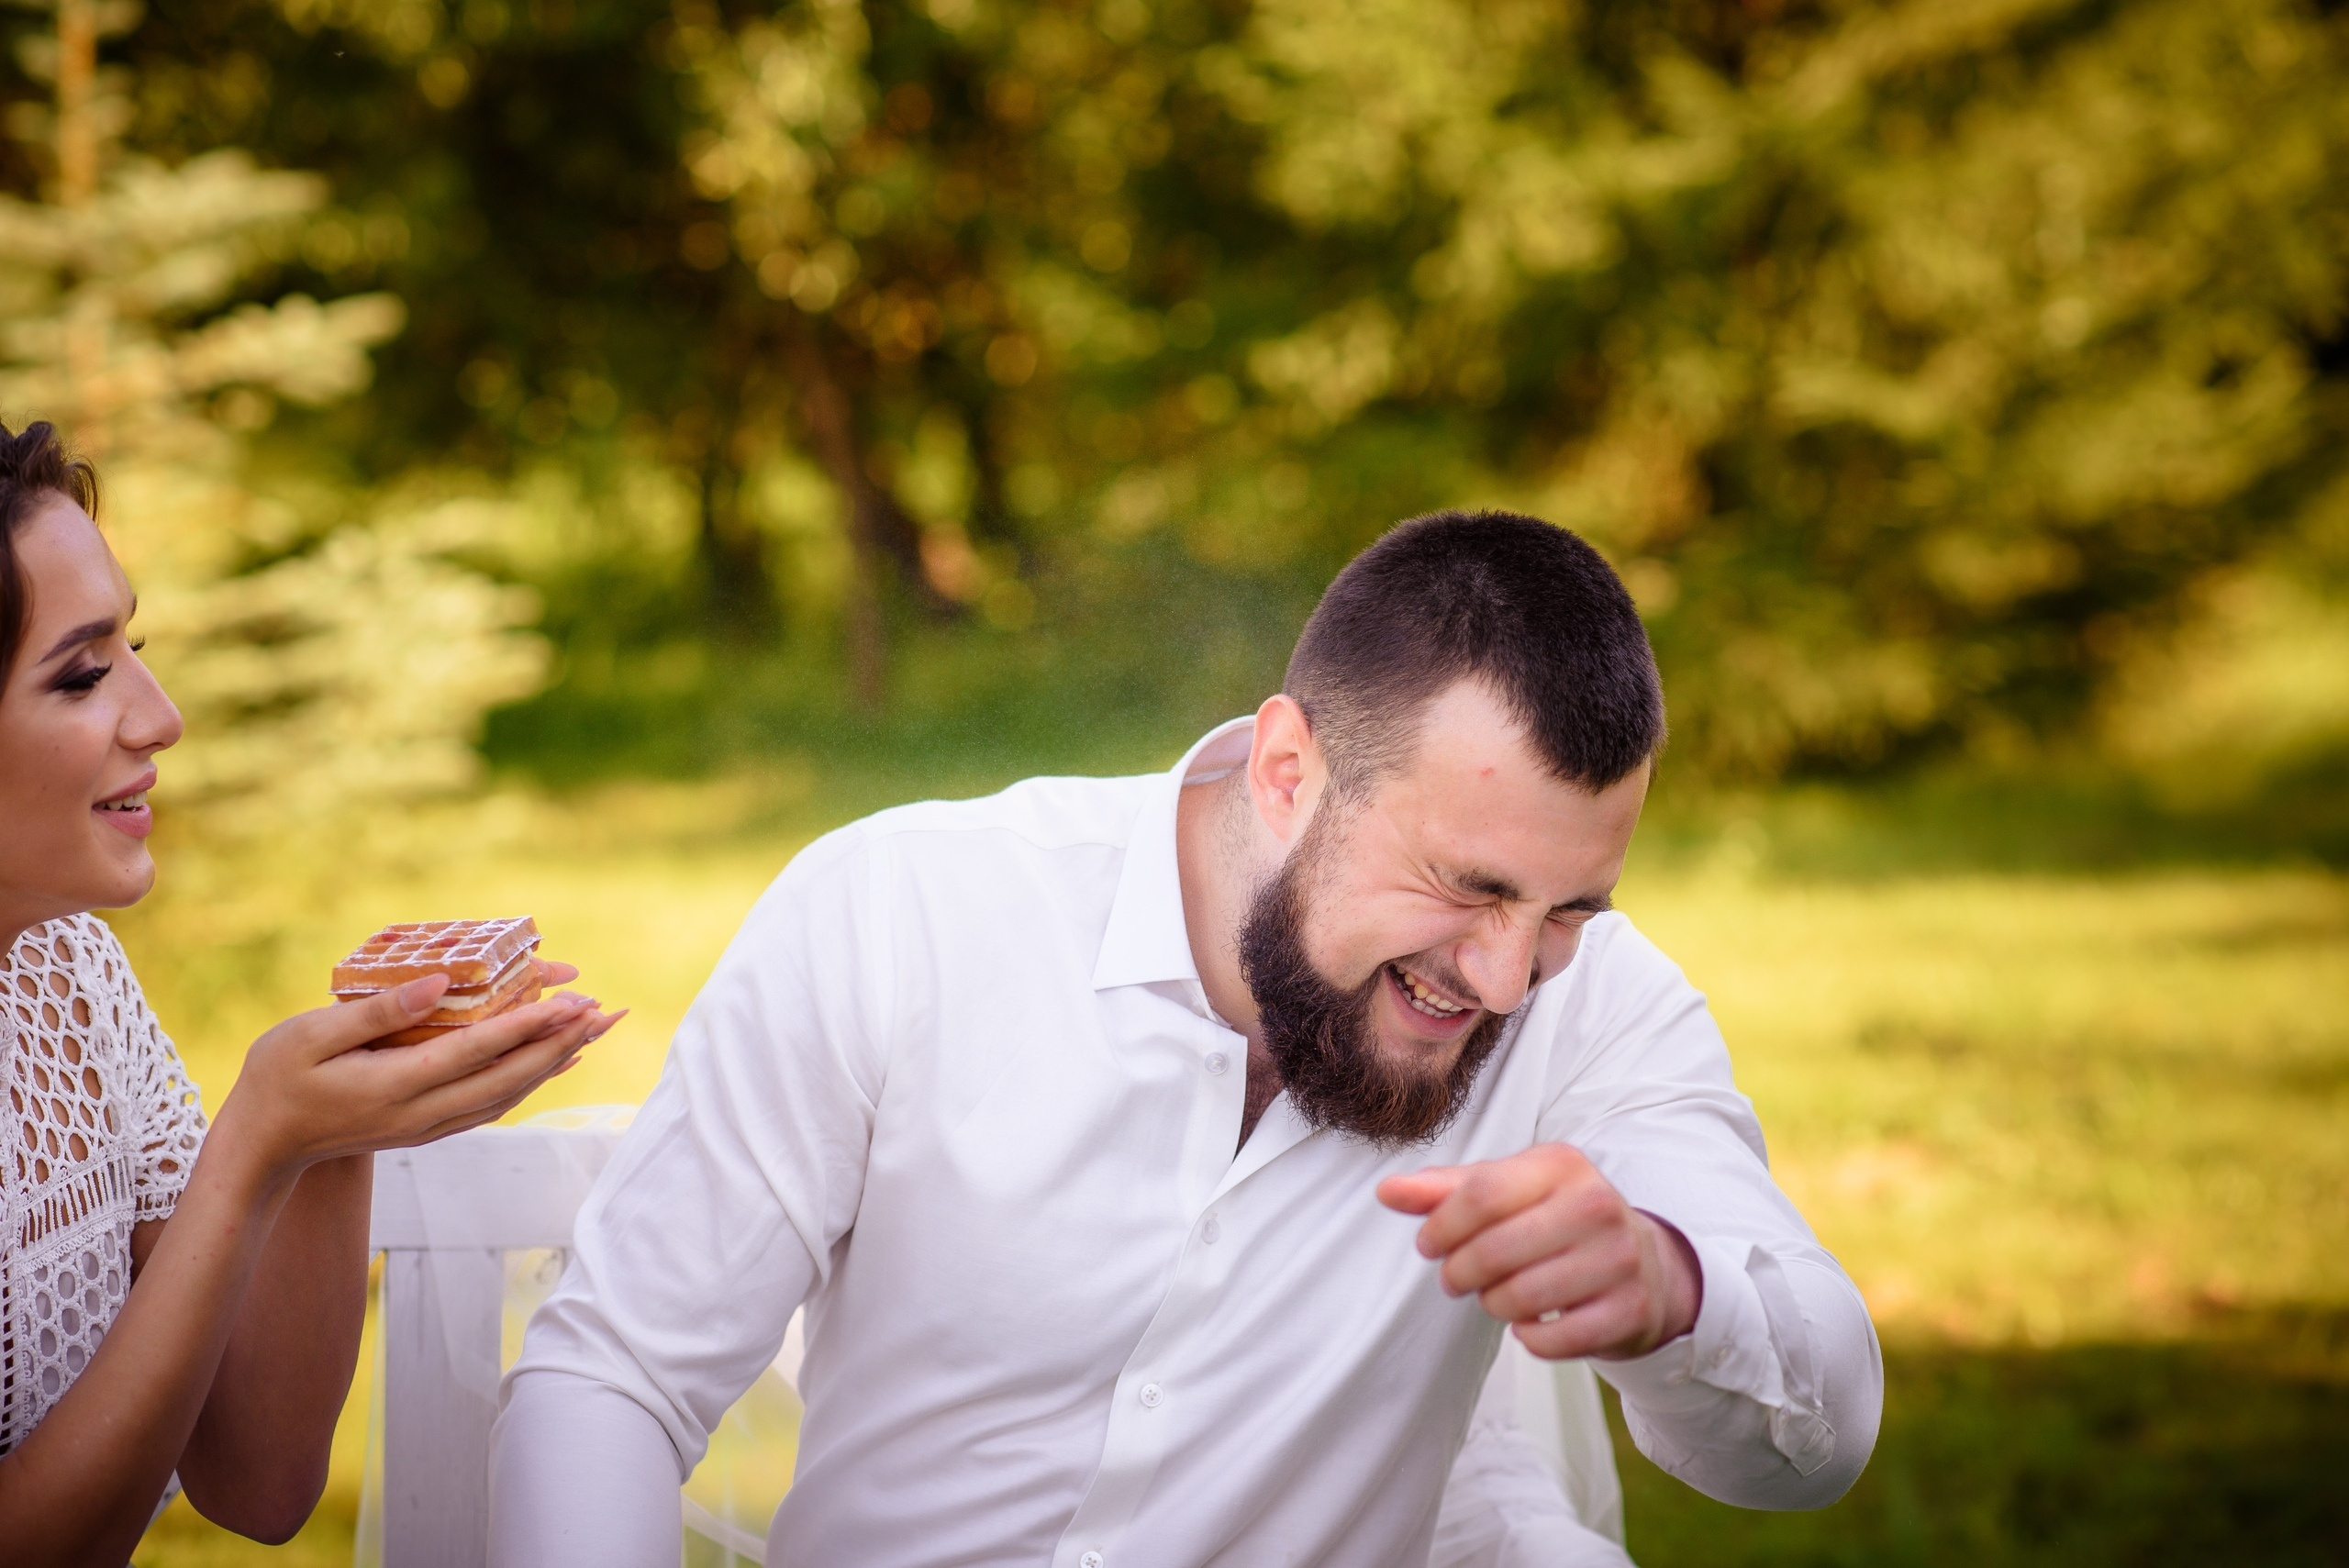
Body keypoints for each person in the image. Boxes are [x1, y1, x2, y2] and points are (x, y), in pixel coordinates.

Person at [494, 510, 1882, 1566]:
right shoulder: (903, 911)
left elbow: (1816, 1439)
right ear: (1289, 772)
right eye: (1468, 886)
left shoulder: (1603, 1009)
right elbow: (616, 1377)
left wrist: (1675, 1286)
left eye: (1568, 907)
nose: (1511, 980)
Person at [0, 419, 622, 1567]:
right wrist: (250, 1146)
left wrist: (334, 1132)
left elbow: (260, 1477)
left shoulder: (68, 970)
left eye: (136, 644)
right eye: (84, 672)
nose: (160, 715)